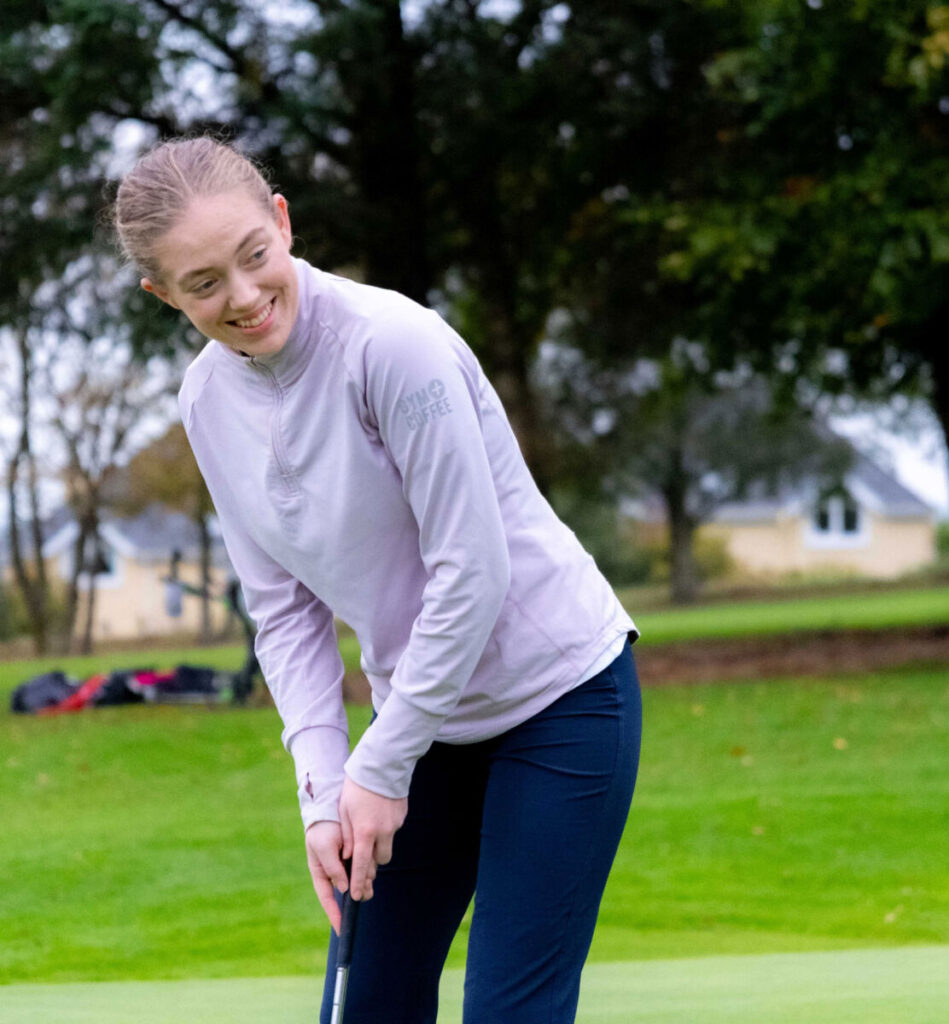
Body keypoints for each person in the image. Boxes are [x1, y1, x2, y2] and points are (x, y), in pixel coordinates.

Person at [113, 136, 642, 1024]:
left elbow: (472, 570)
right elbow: (282, 613)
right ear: (162, 295)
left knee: (509, 1010)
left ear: (282, 222)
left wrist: (381, 764)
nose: (244, 297)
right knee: (373, 1006)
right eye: (203, 284)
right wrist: (324, 793)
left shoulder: (392, 345)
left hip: (558, 698)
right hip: (420, 722)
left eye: (254, 256)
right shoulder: (206, 402)